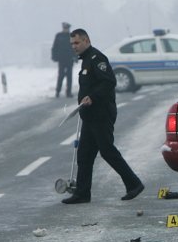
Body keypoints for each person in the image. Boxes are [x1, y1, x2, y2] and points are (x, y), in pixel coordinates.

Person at [62, 28, 144, 204]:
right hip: (89, 116)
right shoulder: (85, 61)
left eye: (77, 43)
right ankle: (82, 193)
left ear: (86, 40)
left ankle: (134, 183)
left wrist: (92, 97)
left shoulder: (97, 58)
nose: (74, 47)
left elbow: (109, 82)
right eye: (72, 44)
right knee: (84, 154)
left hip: (101, 114)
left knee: (107, 151)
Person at [51, 22, 76, 98]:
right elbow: (54, 47)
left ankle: (68, 92)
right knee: (61, 76)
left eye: (67, 28)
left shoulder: (72, 36)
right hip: (61, 59)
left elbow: (75, 47)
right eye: (65, 28)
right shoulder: (59, 36)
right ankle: (57, 91)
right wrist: (54, 56)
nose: (66, 29)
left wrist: (76, 57)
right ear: (63, 28)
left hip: (69, 59)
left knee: (69, 76)